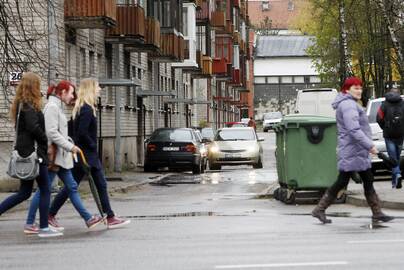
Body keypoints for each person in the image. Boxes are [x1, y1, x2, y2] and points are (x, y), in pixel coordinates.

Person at [47, 78, 130, 229]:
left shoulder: (81, 107)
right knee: (100, 184)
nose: (99, 89)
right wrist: (91, 145)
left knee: (72, 187)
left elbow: (72, 130)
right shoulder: (86, 109)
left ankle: (51, 214)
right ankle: (109, 217)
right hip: (87, 155)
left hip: (82, 154)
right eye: (98, 87)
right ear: (91, 89)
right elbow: (81, 133)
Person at [24, 81, 104, 234]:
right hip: (54, 157)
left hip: (60, 156)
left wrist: (68, 142)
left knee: (71, 187)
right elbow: (52, 133)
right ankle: (30, 222)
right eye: (70, 93)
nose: (72, 96)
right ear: (62, 93)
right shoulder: (52, 108)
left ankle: (88, 218)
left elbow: (59, 132)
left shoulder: (57, 106)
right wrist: (70, 146)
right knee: (43, 190)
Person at [312, 77, 394, 224]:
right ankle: (320, 209)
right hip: (352, 151)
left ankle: (377, 212)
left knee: (366, 179)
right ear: (346, 90)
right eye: (355, 88)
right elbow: (354, 130)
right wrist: (370, 145)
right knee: (342, 181)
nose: (359, 90)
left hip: (356, 151)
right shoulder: (348, 105)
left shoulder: (349, 103)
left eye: (360, 87)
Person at [0, 72, 62, 237]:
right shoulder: (29, 105)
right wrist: (45, 139)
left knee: (25, 192)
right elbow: (33, 128)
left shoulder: (22, 105)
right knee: (45, 189)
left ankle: (36, 225)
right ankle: (44, 227)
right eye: (38, 85)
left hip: (27, 153)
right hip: (35, 155)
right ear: (33, 86)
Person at [376, 88, 404, 189]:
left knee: (393, 159)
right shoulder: (402, 103)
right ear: (399, 93)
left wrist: (384, 127)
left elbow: (378, 118)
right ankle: (394, 183)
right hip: (400, 135)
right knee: (396, 158)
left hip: (389, 135)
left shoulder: (385, 104)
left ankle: (397, 175)